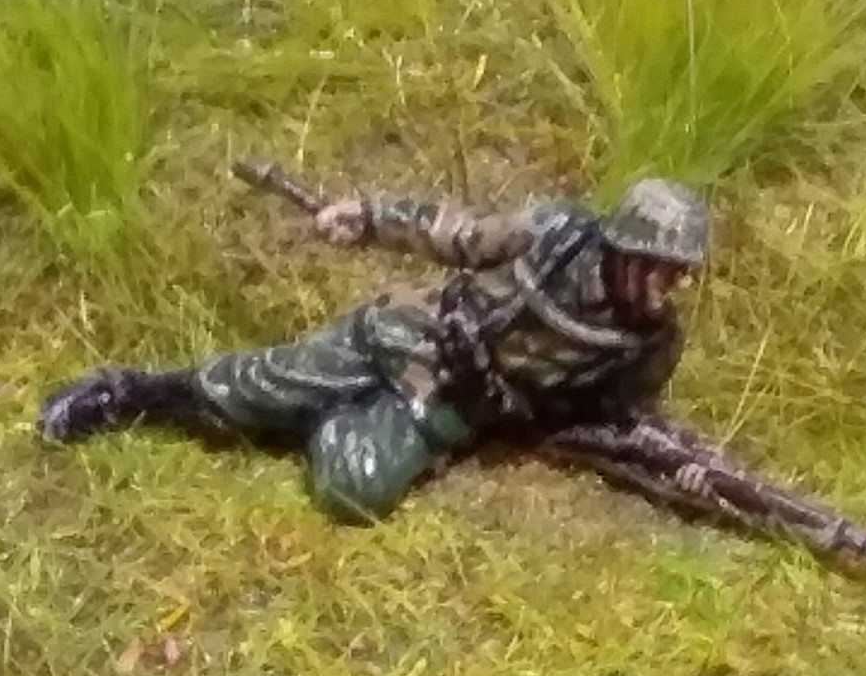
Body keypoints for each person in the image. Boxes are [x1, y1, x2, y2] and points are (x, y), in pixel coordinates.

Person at [41, 174, 709, 523]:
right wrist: (366, 216)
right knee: (257, 384)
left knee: (353, 486)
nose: (671, 283)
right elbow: (457, 233)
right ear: (625, 249)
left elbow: (613, 418)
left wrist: (677, 467)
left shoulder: (649, 342)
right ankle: (131, 394)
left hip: (447, 404)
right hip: (405, 330)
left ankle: (315, 416)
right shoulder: (555, 233)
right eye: (661, 265)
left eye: (680, 271)